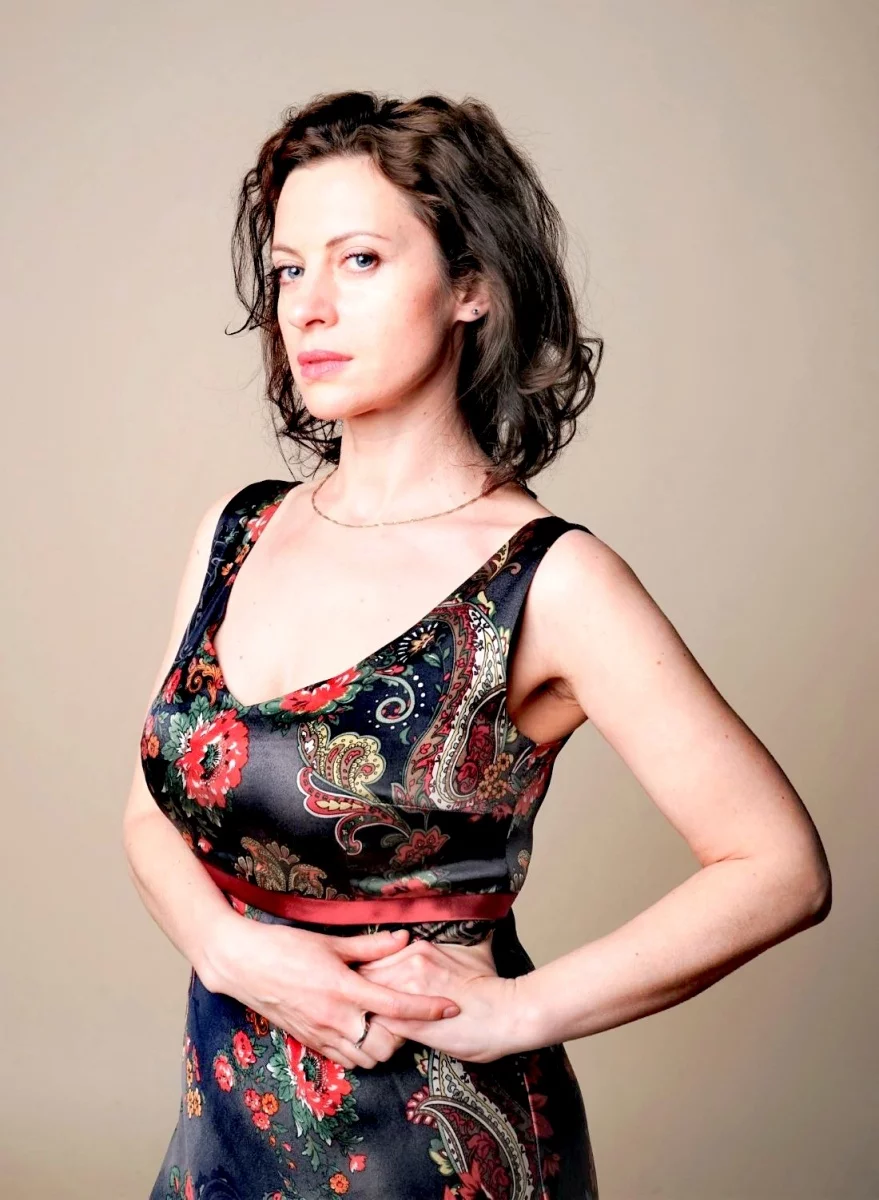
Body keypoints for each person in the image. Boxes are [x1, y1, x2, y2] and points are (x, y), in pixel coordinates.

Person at [123, 90, 832, 1200]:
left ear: (471, 286)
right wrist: (226, 950)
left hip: (436, 1149)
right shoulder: (238, 528)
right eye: (288, 270)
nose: (309, 306)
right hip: (221, 1128)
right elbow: (149, 812)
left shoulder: (549, 577)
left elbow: (778, 867)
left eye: (360, 260)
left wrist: (520, 1010)